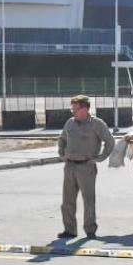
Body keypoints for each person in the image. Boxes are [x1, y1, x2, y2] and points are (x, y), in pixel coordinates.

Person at [57, 95, 115, 240]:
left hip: (86, 167)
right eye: (72, 108)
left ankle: (90, 230)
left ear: (84, 109)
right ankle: (69, 230)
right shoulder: (69, 123)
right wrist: (61, 153)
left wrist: (100, 158)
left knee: (88, 201)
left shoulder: (96, 124)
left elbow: (110, 141)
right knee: (67, 201)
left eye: (75, 109)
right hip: (70, 166)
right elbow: (62, 139)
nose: (73, 111)